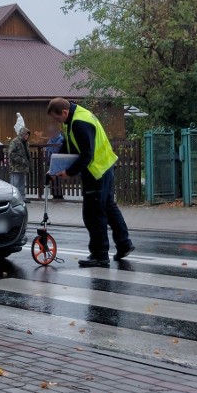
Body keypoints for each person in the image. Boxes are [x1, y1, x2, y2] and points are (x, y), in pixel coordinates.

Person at [46, 97, 135, 267]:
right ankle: (124, 244)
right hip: (104, 167)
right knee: (108, 206)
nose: (57, 122)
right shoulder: (75, 117)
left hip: (96, 171)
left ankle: (99, 254)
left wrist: (69, 171)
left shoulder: (80, 122)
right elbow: (69, 144)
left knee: (93, 213)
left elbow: (87, 154)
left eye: (57, 118)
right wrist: (55, 166)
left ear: (64, 112)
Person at [8, 125, 31, 203]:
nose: (27, 136)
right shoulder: (15, 142)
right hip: (15, 167)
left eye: (28, 135)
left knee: (21, 183)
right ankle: (13, 199)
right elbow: (11, 154)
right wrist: (21, 160)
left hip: (22, 167)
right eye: (26, 134)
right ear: (22, 134)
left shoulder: (25, 143)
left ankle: (22, 198)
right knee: (15, 184)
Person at [45, 127, 65, 199]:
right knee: (52, 177)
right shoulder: (50, 141)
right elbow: (47, 150)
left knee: (58, 177)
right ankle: (54, 194)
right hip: (51, 161)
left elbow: (60, 150)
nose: (51, 134)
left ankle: (59, 194)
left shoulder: (61, 139)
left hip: (58, 161)